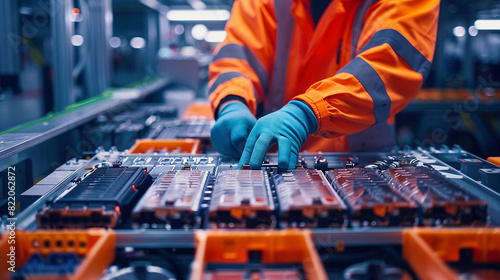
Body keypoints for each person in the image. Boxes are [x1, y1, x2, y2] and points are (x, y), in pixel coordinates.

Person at [209, 0, 440, 170]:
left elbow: (388, 65)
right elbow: (238, 53)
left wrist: (308, 113)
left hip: (361, 169)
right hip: (273, 164)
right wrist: (232, 101)